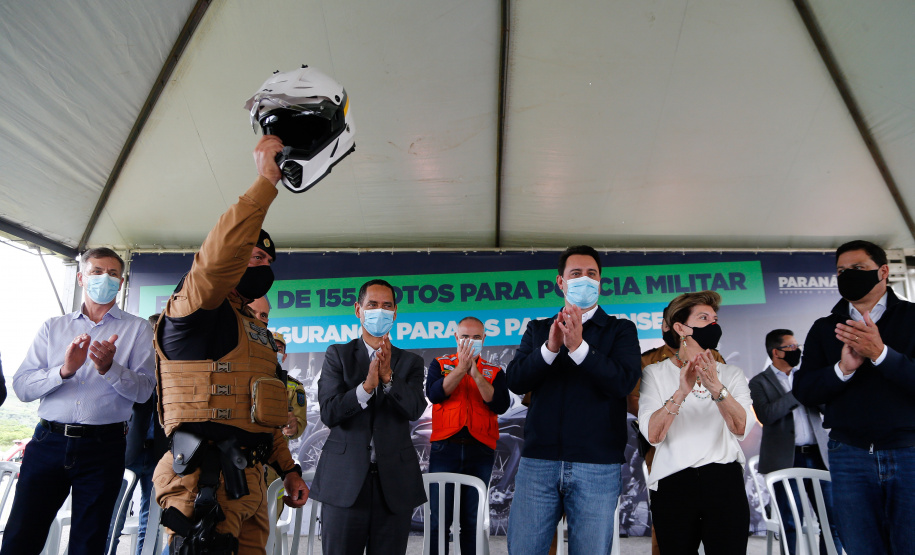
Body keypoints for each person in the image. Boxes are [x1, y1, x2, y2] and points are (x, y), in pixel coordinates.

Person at [152, 135, 308, 555]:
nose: (265, 267)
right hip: (205, 481)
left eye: (269, 262)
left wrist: (288, 469)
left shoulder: (254, 332)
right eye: (255, 258)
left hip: (249, 483)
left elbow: (265, 412)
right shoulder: (196, 310)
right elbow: (215, 262)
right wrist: (265, 184)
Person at [4, 247, 156, 555]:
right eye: (97, 272)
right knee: (21, 536)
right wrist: (64, 370)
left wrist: (110, 369)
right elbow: (22, 387)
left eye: (112, 274)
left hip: (104, 447)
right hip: (48, 442)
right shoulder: (53, 327)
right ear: (80, 278)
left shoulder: (137, 329)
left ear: (121, 282)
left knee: (89, 543)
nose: (105, 278)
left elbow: (144, 391)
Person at [506, 245, 641, 555]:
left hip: (597, 464)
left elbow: (623, 382)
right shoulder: (539, 329)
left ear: (600, 282)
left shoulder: (620, 330)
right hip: (538, 462)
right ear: (561, 282)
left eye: (591, 274)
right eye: (576, 273)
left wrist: (579, 347)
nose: (585, 279)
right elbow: (516, 380)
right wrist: (550, 349)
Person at [793, 240, 915, 555]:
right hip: (849, 453)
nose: (848, 275)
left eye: (858, 268)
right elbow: (804, 390)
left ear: (883, 271)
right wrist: (842, 370)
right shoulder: (824, 328)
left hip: (909, 450)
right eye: (841, 271)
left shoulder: (912, 318)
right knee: (860, 547)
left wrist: (881, 354)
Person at [309, 279, 427, 555]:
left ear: (395, 313)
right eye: (372, 305)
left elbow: (414, 409)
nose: (380, 311)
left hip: (394, 486)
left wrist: (388, 379)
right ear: (358, 310)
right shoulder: (337, 355)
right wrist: (365, 388)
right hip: (344, 483)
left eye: (387, 306)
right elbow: (330, 412)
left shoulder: (411, 362)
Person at [638, 290, 754, 554]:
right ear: (680, 328)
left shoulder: (732, 374)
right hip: (674, 483)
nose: (713, 324)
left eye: (715, 319)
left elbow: (741, 428)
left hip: (724, 481)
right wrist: (681, 392)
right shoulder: (654, 373)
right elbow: (653, 435)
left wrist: (716, 387)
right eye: (704, 318)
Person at [625, 303, 726, 555]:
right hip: (663, 446)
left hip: (709, 446)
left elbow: (727, 399)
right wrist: (670, 410)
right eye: (665, 324)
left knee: (719, 522)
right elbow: (635, 403)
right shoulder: (647, 361)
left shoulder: (715, 357)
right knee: (670, 524)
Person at [749, 329, 840, 555]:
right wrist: (797, 393)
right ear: (776, 352)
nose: (797, 350)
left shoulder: (807, 375)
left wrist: (819, 390)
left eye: (797, 346)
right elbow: (766, 415)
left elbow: (827, 409)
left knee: (832, 519)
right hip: (785, 460)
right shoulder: (759, 382)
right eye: (791, 347)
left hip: (818, 456)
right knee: (791, 522)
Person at [425, 316, 510, 554]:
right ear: (456, 338)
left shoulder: (494, 371)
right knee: (439, 520)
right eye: (464, 337)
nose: (470, 341)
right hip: (445, 448)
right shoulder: (440, 364)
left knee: (472, 521)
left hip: (480, 450)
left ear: (484, 338)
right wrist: (461, 369)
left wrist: (476, 374)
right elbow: (434, 394)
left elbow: (500, 404)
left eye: (476, 337)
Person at [109, 314, 171, 555]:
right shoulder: (131, 362)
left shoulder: (173, 367)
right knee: (113, 517)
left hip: (159, 453)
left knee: (152, 521)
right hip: (128, 449)